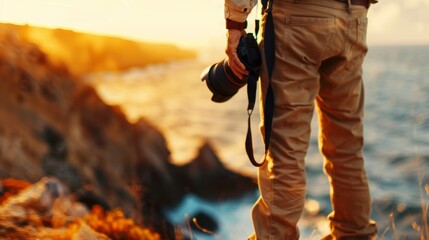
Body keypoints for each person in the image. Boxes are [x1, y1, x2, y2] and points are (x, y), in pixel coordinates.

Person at [224, 0, 378, 239]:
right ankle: (354, 233)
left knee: (285, 151)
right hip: (354, 18)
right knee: (347, 145)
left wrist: (235, 21)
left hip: (297, 17)